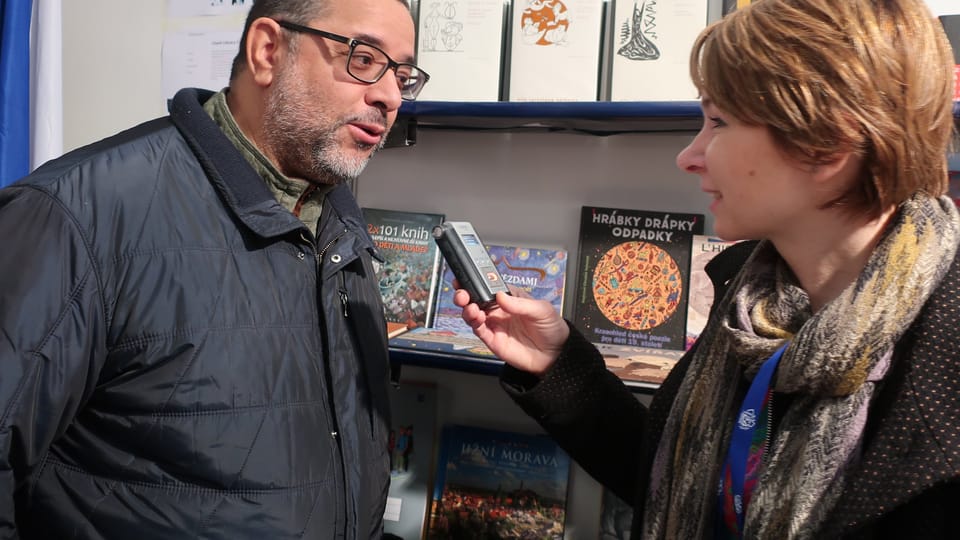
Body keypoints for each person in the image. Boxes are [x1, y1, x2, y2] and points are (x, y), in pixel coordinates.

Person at [455, 0, 960, 538]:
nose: (689, 156)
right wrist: (557, 365)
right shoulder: (749, 299)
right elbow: (675, 485)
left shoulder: (941, 365)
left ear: (827, 143)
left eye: (717, 121)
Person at [0, 0, 429, 537]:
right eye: (364, 59)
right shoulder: (76, 216)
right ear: (267, 51)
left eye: (403, 75)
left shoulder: (339, 224)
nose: (390, 96)